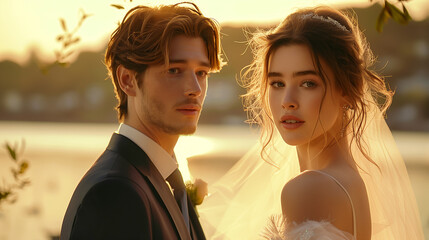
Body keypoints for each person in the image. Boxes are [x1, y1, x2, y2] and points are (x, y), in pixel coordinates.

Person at [199, 6, 424, 240]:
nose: (288, 102)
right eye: (277, 84)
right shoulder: (349, 181)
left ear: (348, 90)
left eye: (308, 83)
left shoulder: (311, 187)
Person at [60, 3, 222, 240]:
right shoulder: (115, 192)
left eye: (201, 73)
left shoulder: (161, 179)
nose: (195, 89)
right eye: (174, 70)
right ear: (127, 80)